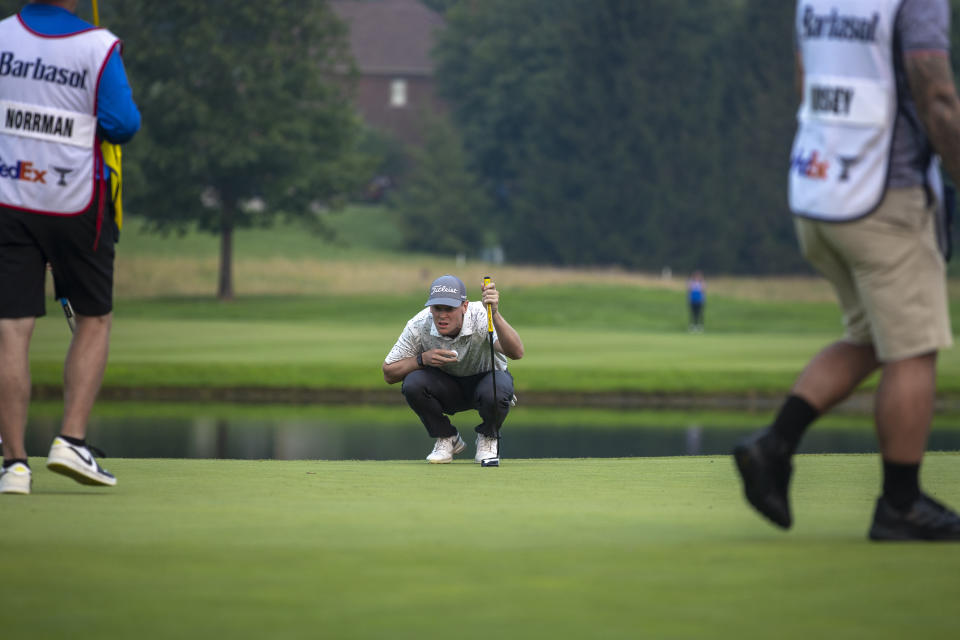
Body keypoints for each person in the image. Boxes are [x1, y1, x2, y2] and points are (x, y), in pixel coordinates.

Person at [734, 0, 960, 540]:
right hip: (886, 195)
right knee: (913, 347)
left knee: (872, 337)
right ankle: (900, 504)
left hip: (818, 191)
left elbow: (803, 77)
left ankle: (774, 446)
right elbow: (936, 92)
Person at [0, 0, 141, 495]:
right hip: (76, 203)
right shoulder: (97, 45)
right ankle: (70, 441)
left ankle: (14, 464)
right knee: (93, 318)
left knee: (10, 330)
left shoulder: (1, 37)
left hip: (8, 199)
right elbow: (122, 124)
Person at [383, 275, 524, 463]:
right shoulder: (419, 324)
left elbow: (516, 352)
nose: (442, 315)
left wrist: (495, 314)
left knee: (497, 389)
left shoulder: (482, 315)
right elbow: (389, 373)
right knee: (413, 383)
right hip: (446, 387)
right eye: (437, 308)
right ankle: (447, 438)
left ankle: (488, 438)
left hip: (487, 383)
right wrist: (422, 359)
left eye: (449, 309)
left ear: (464, 306)